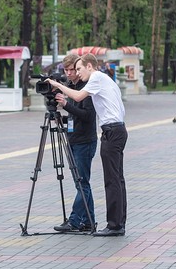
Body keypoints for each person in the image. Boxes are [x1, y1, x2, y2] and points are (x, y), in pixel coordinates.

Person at [49, 53, 127, 237]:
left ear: (90, 66)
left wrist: (58, 86)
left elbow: (77, 97)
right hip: (116, 129)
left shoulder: (97, 78)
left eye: (78, 69)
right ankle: (118, 223)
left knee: (112, 180)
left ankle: (114, 226)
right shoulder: (105, 80)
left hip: (112, 131)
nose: (77, 73)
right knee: (117, 179)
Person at [52, 54, 97, 233]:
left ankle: (75, 220)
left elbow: (87, 116)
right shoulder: (71, 87)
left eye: (74, 70)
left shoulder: (86, 88)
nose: (70, 73)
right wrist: (61, 119)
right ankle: (88, 221)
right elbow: (74, 116)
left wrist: (66, 105)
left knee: (82, 183)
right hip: (73, 139)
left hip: (85, 141)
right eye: (67, 70)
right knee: (82, 183)